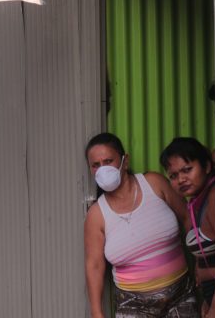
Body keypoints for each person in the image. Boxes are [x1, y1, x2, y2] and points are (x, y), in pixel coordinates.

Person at [84, 133, 198, 318]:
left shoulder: (154, 183)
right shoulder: (96, 215)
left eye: (108, 161)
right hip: (133, 307)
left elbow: (187, 218)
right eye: (96, 165)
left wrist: (201, 263)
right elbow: (94, 265)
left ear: (125, 161)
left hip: (181, 298)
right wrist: (97, 312)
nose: (102, 169)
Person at [160, 138, 215, 318]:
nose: (181, 180)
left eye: (187, 170)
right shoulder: (195, 202)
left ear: (207, 167)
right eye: (173, 176)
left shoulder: (214, 197)